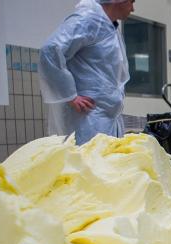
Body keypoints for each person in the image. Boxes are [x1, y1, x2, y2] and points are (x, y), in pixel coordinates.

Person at [40, 0, 135, 145]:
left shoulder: (109, 27)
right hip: (89, 116)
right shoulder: (88, 21)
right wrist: (70, 95)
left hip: (108, 117)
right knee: (88, 163)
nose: (133, 9)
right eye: (131, 2)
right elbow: (51, 50)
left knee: (108, 164)